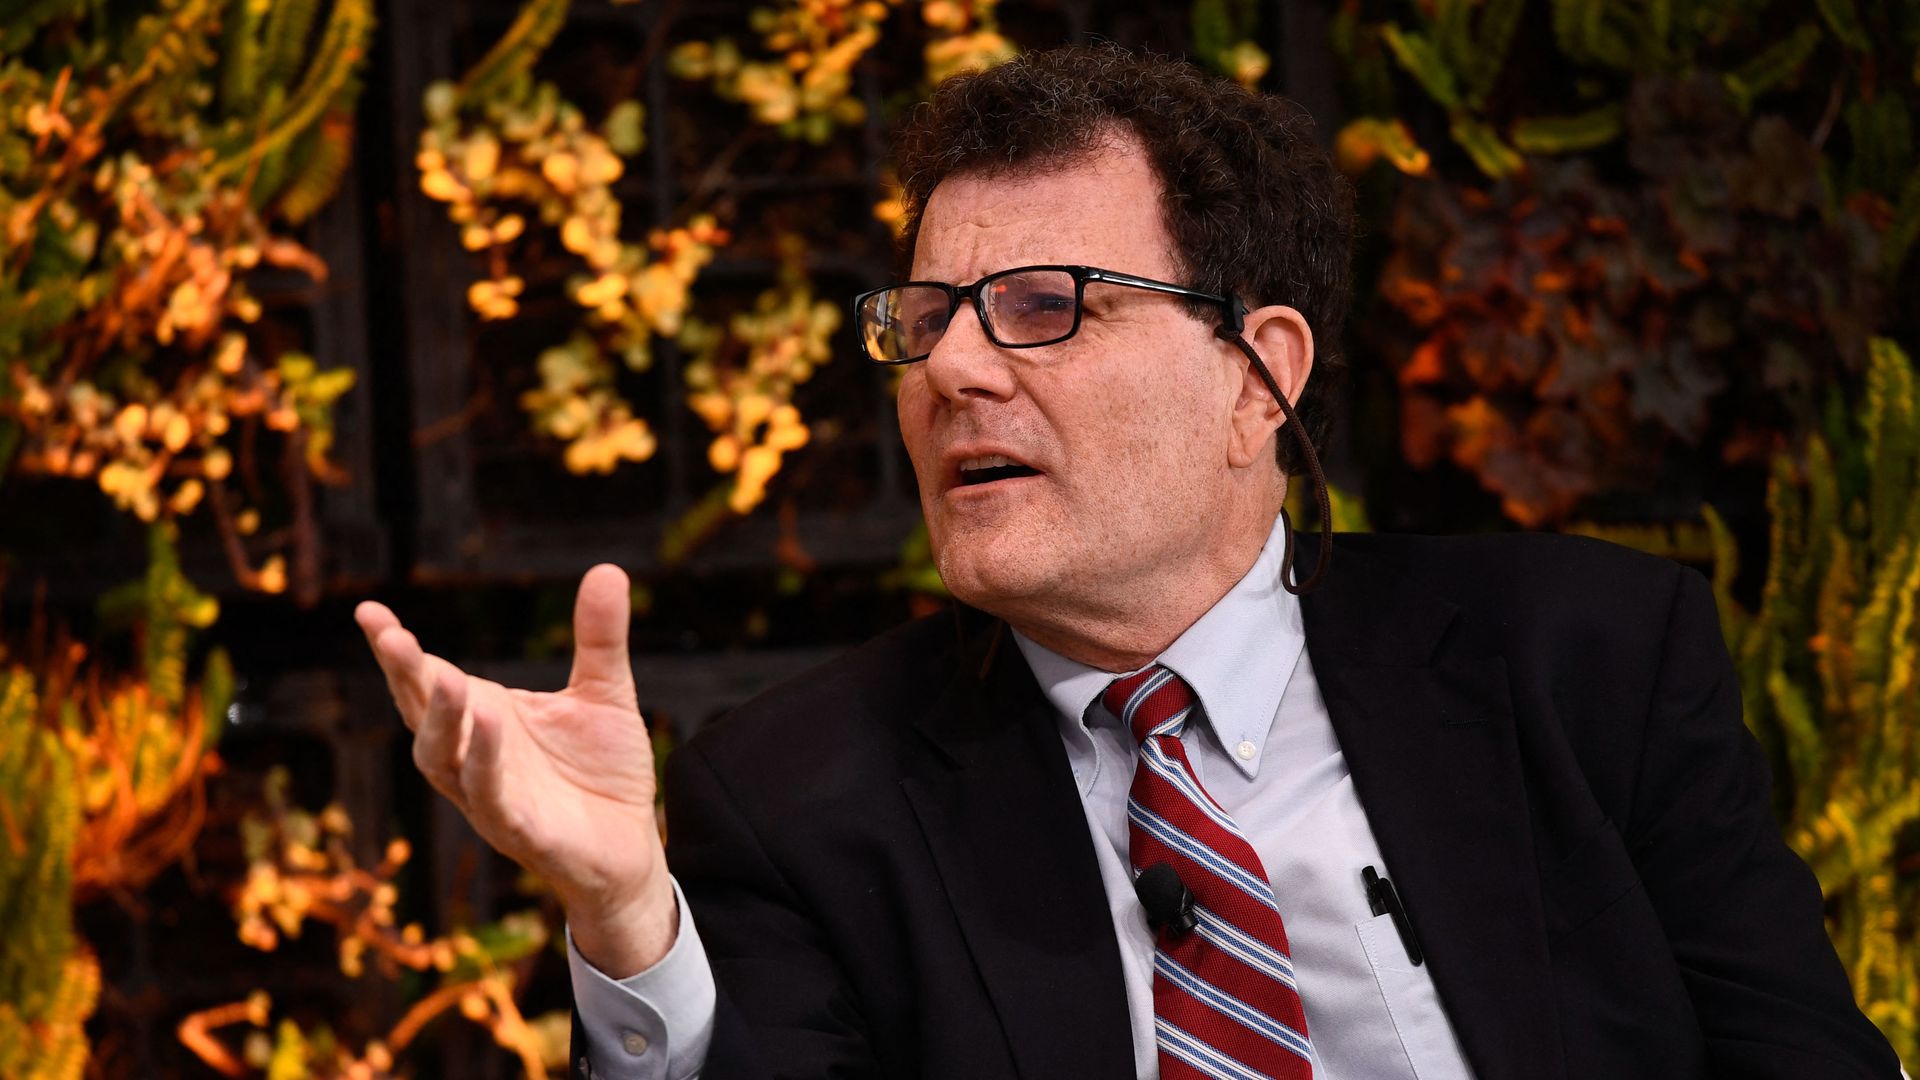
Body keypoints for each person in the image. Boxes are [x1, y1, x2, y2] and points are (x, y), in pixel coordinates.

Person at [355, 45, 1903, 1080]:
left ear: (1258, 374)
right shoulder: (804, 794)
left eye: (1044, 304)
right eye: (924, 317)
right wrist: (630, 919)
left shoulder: (1585, 663)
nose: (953, 369)